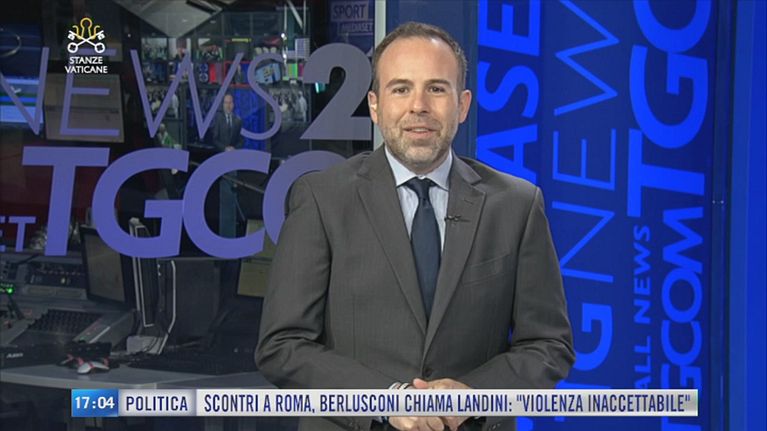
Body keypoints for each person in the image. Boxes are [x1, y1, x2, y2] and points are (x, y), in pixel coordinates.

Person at [256, 22, 575, 431]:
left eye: (436, 89)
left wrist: (476, 395)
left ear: (462, 105)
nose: (418, 106)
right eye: (401, 89)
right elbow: (282, 346)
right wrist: (385, 398)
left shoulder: (516, 205)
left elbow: (549, 345)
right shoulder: (321, 199)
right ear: (375, 106)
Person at [212, 93, 243, 238]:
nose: (228, 105)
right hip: (220, 161)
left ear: (233, 105)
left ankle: (231, 233)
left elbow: (241, 140)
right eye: (226, 103)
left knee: (232, 195)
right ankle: (223, 233)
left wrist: (234, 148)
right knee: (223, 195)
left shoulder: (238, 121)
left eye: (230, 102)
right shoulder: (218, 120)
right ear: (223, 105)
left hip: (233, 162)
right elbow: (214, 139)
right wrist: (224, 148)